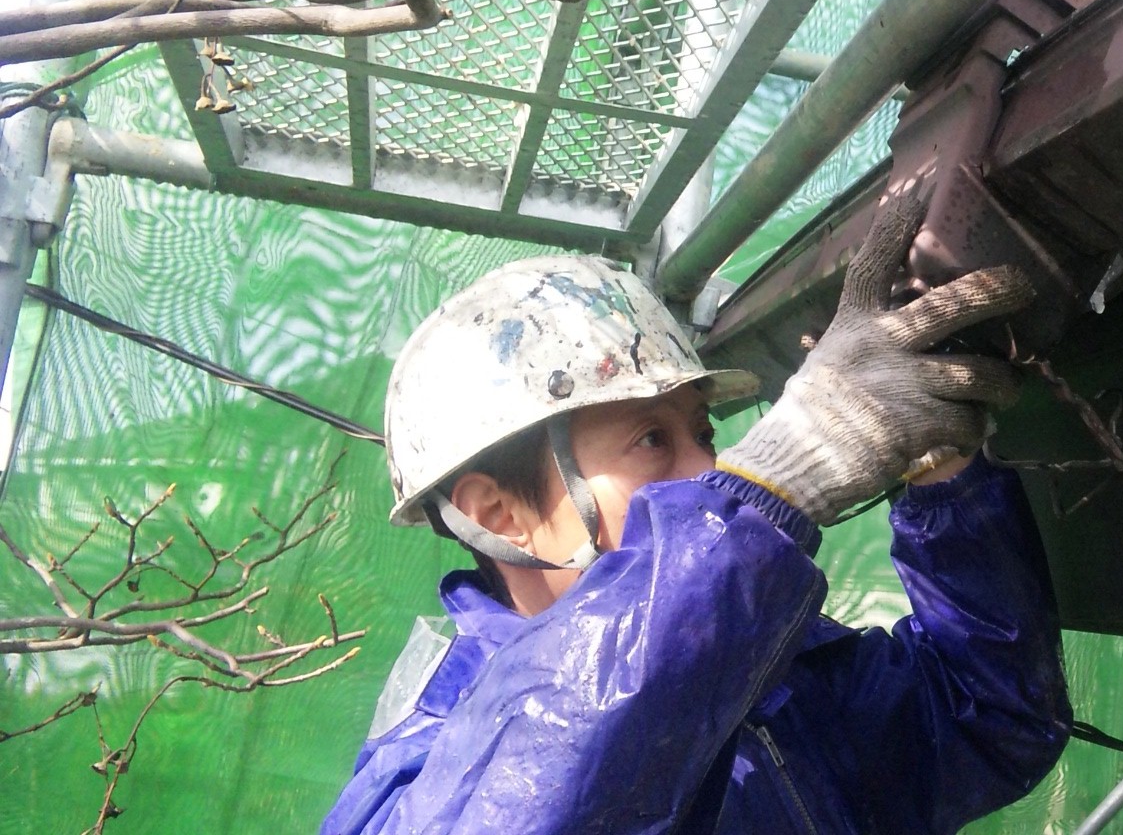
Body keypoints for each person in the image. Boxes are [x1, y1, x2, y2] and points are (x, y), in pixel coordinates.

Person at [320, 200, 1071, 834]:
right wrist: (771, 488)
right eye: (651, 440)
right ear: (500, 514)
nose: (709, 471)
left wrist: (940, 476)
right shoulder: (433, 758)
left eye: (703, 434)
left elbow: (988, 723)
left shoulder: (773, 662)